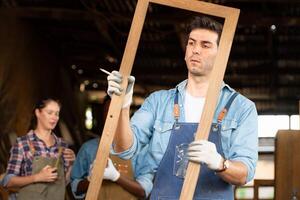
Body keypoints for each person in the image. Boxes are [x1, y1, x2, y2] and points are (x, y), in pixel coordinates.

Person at [107, 15, 258, 199]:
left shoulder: (241, 108)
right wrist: (122, 106)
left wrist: (220, 163)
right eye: (192, 43)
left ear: (222, 54)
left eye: (205, 45)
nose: (195, 50)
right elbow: (124, 150)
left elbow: (244, 173)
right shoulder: (159, 102)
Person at [70, 96, 152, 199]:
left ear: (126, 115)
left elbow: (144, 191)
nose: (113, 117)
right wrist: (90, 179)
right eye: (109, 113)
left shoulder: (140, 150)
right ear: (103, 115)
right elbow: (75, 188)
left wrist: (116, 176)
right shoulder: (88, 148)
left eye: (118, 112)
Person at [1, 98, 76, 200]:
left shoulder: (62, 144)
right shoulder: (23, 143)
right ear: (38, 113)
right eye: (50, 113)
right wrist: (38, 177)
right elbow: (7, 182)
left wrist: (72, 163)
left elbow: (64, 182)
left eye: (57, 113)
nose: (54, 117)